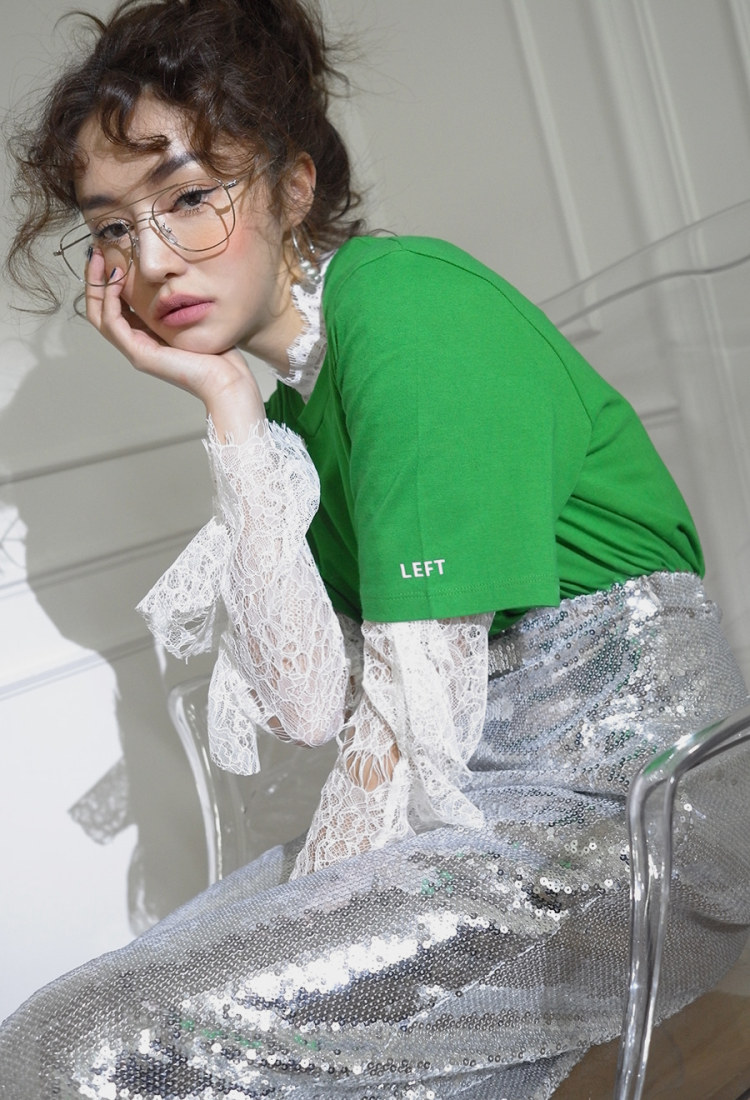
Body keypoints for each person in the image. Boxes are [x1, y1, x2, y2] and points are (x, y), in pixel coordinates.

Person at [1, 0, 747, 1096]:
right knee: (72, 1027)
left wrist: (307, 935)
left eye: (191, 198)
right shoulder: (293, 411)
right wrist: (225, 404)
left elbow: (409, 727)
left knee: (94, 1045)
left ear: (295, 185)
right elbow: (312, 709)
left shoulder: (404, 308)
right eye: (113, 226)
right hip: (477, 817)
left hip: (628, 835)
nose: (150, 261)